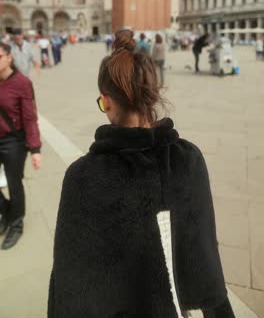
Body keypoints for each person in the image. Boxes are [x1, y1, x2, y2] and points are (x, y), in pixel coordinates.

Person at [48, 29, 235, 318]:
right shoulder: (189, 159)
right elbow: (203, 254)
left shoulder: (83, 176)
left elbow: (72, 281)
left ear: (106, 101)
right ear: (153, 93)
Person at [0, 42, 41, 250]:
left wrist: (35, 149)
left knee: (15, 185)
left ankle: (16, 225)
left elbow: (30, 118)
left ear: (9, 57)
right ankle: (7, 212)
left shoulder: (22, 83)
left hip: (13, 142)